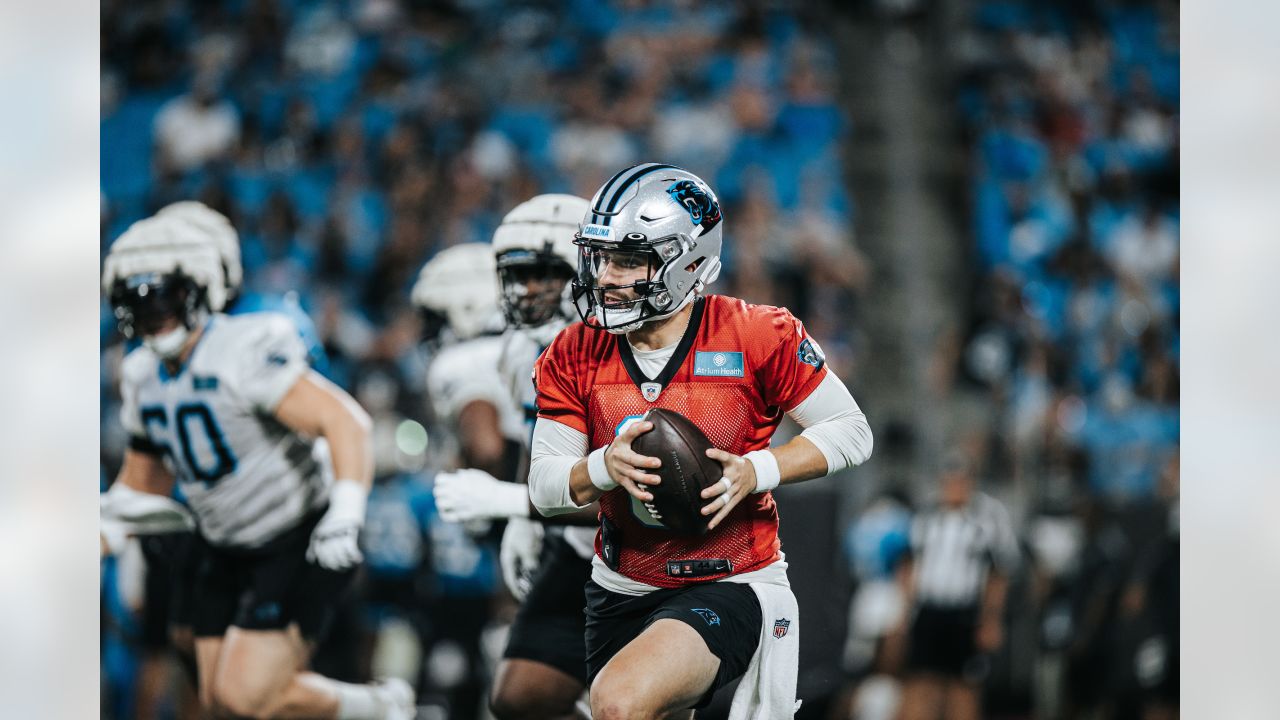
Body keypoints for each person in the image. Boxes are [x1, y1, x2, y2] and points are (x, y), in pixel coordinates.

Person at [526, 163, 874, 718]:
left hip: (729, 578)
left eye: (629, 259)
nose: (608, 276)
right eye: (602, 257)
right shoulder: (573, 350)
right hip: (618, 586)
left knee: (618, 701)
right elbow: (544, 486)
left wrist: (756, 470)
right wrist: (601, 467)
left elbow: (852, 432)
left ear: (687, 262)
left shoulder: (756, 335)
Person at [99, 217, 415, 720]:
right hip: (222, 542)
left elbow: (344, 421)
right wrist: (105, 528)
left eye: (162, 296)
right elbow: (144, 480)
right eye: (137, 300)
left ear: (197, 289)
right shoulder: (139, 374)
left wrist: (347, 510)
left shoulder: (239, 348)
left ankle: (379, 708)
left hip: (293, 534)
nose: (150, 312)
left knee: (242, 696)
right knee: (217, 700)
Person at [431, 194, 598, 719]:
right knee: (518, 697)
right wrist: (531, 524)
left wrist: (517, 505)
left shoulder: (622, 355)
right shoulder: (518, 352)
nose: (525, 290)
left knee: (630, 701)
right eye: (517, 275)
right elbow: (536, 442)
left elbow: (632, 492)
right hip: (575, 547)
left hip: (644, 555)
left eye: (543, 274)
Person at [896, 453, 1019, 720]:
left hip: (965, 613)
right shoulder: (925, 519)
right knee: (921, 682)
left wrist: (991, 619)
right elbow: (907, 566)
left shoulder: (986, 520)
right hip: (929, 611)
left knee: (963, 686)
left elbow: (998, 574)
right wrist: (905, 612)